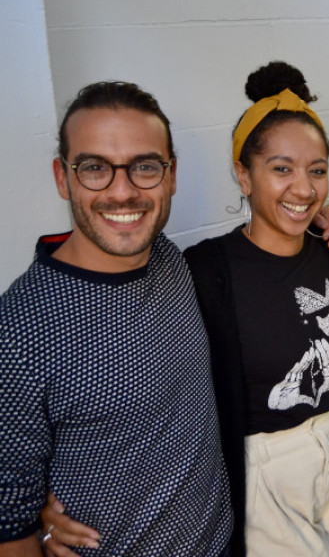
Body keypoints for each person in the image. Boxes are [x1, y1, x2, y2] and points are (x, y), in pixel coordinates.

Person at [39, 63, 329, 557]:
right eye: (281, 169)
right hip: (265, 469)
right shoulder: (202, 268)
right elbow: (101, 317)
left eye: (316, 170)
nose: (303, 188)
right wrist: (43, 493)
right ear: (244, 174)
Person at [0, 81, 232, 556]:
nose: (122, 192)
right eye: (94, 168)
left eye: (144, 167)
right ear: (63, 178)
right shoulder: (19, 329)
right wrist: (39, 522)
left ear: (170, 176)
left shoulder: (169, 260)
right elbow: (10, 519)